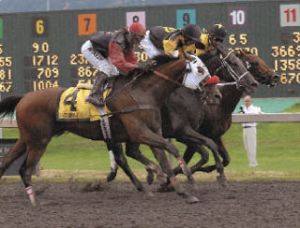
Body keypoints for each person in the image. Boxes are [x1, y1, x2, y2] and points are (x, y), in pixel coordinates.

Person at [81, 22, 146, 106]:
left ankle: (106, 93)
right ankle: (93, 95)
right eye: (140, 37)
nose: (140, 40)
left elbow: (132, 60)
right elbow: (119, 63)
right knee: (106, 68)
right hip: (91, 48)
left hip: (103, 51)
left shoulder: (128, 41)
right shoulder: (118, 41)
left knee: (115, 72)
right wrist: (137, 66)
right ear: (133, 34)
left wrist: (139, 68)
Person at [240, 95, 263, 167]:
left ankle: (254, 163)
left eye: (247, 101)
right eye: (245, 101)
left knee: (252, 146)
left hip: (251, 128)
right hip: (244, 128)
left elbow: (258, 113)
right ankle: (251, 161)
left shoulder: (255, 108)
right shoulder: (243, 109)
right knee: (246, 146)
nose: (246, 102)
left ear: (251, 101)